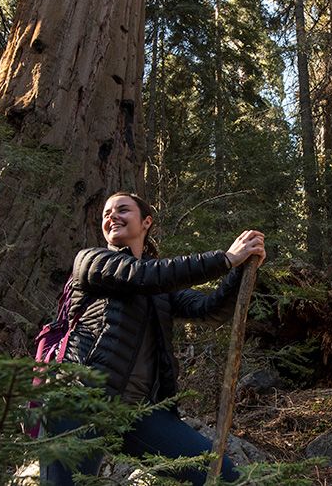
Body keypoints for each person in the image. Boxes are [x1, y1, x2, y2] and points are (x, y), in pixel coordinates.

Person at [41, 191, 266, 486]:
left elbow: (209, 309)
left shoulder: (159, 285)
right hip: (80, 398)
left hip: (138, 413)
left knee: (219, 475)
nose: (111, 217)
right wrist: (224, 259)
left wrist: (242, 269)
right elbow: (142, 276)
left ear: (146, 222)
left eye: (122, 210)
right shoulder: (91, 261)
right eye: (106, 214)